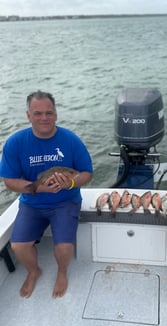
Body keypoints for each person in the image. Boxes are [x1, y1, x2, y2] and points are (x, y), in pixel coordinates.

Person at [0, 90, 93, 298]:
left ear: (56, 114)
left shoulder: (70, 139)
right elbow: (9, 181)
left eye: (49, 113)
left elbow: (87, 173)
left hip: (65, 201)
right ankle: (34, 272)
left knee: (64, 247)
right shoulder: (15, 142)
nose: (44, 118)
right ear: (28, 115)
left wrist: (69, 183)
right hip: (32, 203)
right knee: (18, 246)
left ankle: (62, 272)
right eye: (38, 113)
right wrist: (39, 188)